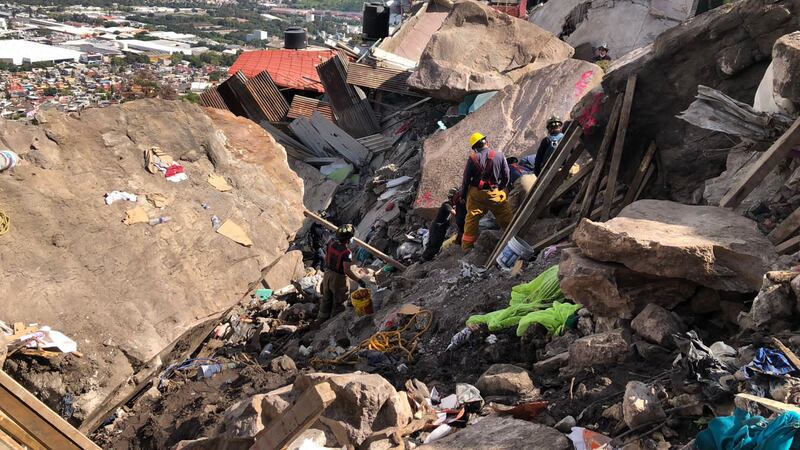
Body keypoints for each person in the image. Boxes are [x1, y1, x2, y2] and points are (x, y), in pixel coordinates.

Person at [460, 132, 514, 250]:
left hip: (475, 193)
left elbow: (466, 179)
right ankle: (514, 239)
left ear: (475, 148)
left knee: (472, 218)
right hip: (494, 191)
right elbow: (506, 175)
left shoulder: (473, 158)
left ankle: (466, 247)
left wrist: (463, 195)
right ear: (486, 142)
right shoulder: (499, 155)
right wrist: (501, 188)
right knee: (505, 214)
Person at [316, 224, 365, 324]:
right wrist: (359, 280)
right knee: (340, 303)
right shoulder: (346, 252)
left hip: (327, 274)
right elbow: (347, 270)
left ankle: (320, 321)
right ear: (348, 238)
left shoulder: (331, 243)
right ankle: (332, 325)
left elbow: (328, 256)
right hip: (338, 279)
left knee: (326, 299)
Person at [422, 188, 460, 261]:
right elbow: (454, 213)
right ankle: (424, 258)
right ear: (452, 197)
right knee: (434, 243)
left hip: (442, 227)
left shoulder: (452, 205)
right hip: (437, 226)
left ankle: (429, 257)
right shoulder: (446, 204)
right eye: (456, 196)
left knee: (438, 243)